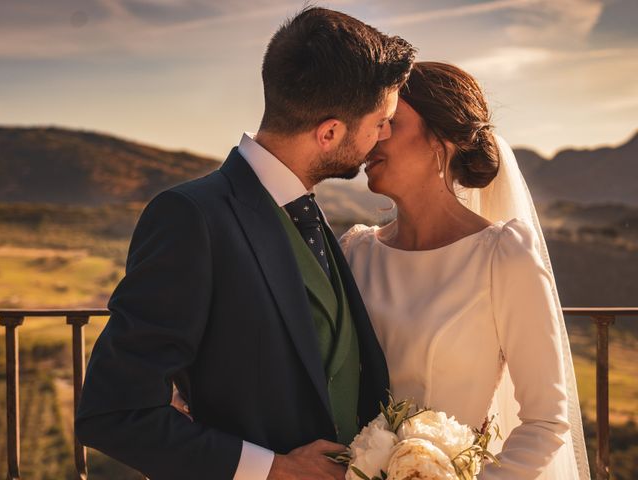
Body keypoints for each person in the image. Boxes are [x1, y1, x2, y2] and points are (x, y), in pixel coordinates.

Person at [75, 7, 415, 480]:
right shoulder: (190, 218)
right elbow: (113, 414)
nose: (385, 134)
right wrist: (272, 469)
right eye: (380, 121)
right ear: (330, 132)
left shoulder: (309, 210)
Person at [339, 62, 590, 479]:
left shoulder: (502, 256)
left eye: (390, 123)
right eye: (372, 124)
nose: (371, 139)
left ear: (443, 139)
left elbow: (546, 421)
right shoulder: (355, 251)